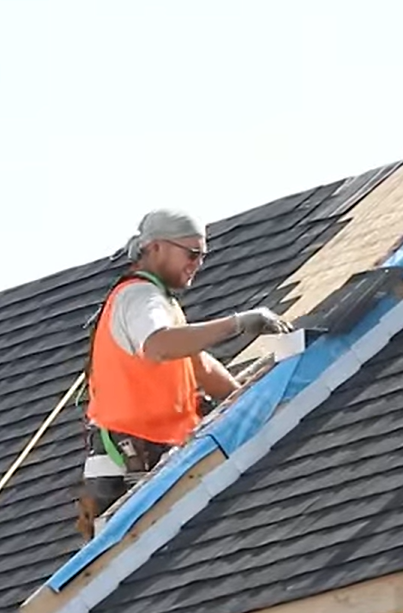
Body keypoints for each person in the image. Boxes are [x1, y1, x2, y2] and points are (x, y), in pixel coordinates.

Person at [77, 209, 291, 539]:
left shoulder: (162, 303)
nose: (198, 263)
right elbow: (159, 345)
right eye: (191, 253)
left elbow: (199, 366)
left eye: (202, 255)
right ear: (156, 247)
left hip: (157, 455)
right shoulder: (139, 296)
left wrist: (253, 405)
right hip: (134, 464)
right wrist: (237, 323)